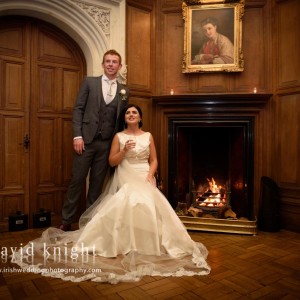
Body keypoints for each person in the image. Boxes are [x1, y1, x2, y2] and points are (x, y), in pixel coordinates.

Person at [11, 104, 210, 284]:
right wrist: (123, 150)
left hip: (143, 173)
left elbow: (154, 159)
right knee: (133, 198)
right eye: (128, 113)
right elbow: (112, 162)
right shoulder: (119, 136)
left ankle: (147, 242)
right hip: (125, 172)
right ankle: (119, 241)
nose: (131, 114)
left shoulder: (148, 135)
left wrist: (151, 175)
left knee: (148, 198)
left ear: (140, 118)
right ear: (125, 118)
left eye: (135, 112)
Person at [58, 49, 129, 231]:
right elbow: (78, 109)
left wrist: (119, 144)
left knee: (97, 184)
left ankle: (88, 223)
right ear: (103, 64)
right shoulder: (90, 82)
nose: (111, 64)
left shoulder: (124, 90)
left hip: (107, 143)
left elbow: (122, 118)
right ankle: (67, 220)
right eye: (108, 61)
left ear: (120, 66)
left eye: (114, 62)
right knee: (77, 180)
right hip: (86, 141)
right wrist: (77, 135)